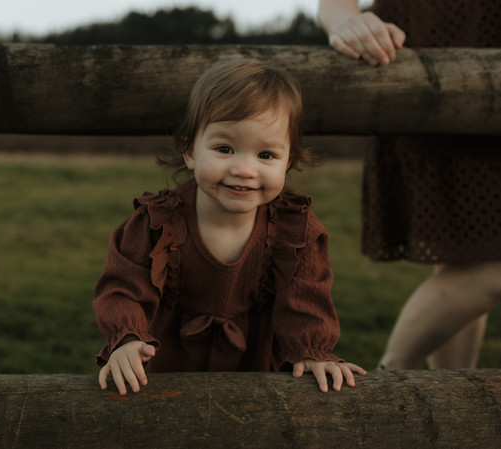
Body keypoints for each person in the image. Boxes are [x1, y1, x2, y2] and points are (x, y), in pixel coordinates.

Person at [93, 59, 366, 394]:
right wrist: (127, 339)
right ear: (190, 151)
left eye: (266, 155)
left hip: (256, 374)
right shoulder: (157, 223)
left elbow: (305, 300)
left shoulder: (294, 231)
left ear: (289, 161)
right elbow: (123, 286)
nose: (244, 169)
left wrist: (312, 351)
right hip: (162, 374)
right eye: (224, 149)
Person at [318, 0, 501, 369]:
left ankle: (447, 406)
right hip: (416, 74)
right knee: (481, 262)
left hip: (489, 67)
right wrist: (347, 22)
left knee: (465, 256)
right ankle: (390, 377)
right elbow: (333, 3)